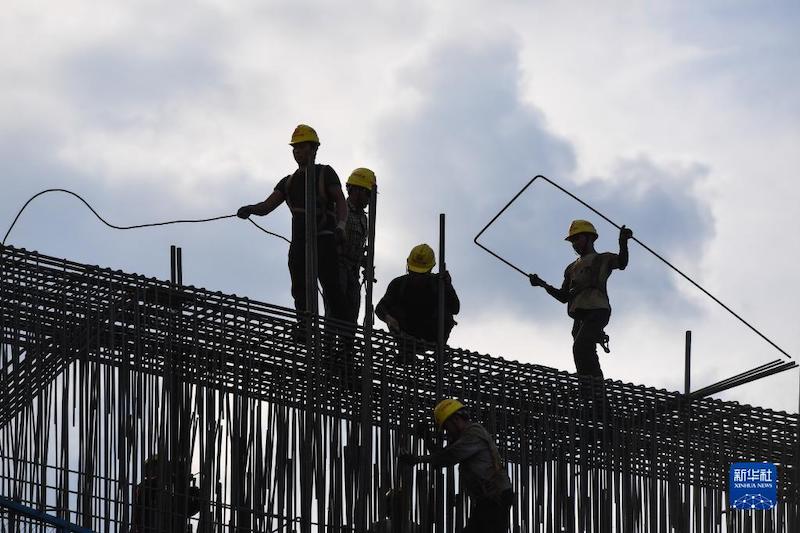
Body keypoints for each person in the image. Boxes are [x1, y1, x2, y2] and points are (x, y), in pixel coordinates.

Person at [237, 124, 348, 338]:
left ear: (314, 149)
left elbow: (340, 201)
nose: (297, 151)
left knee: (332, 288)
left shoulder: (325, 173)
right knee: (300, 286)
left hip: (324, 239)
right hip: (300, 243)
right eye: (295, 148)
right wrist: (250, 209)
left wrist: (341, 226)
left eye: (302, 146)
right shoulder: (289, 182)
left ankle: (343, 335)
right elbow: (267, 206)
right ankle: (305, 327)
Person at [528, 219, 633, 379]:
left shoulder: (602, 259)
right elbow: (564, 297)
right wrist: (542, 284)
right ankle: (590, 385)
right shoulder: (571, 269)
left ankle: (592, 386)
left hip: (597, 310)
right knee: (584, 350)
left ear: (590, 238)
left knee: (581, 347)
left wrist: (622, 242)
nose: (574, 244)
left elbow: (622, 262)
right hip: (580, 317)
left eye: (577, 239)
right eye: (572, 241)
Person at [399, 399, 514, 533]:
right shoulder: (465, 437)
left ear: (455, 419)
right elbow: (441, 457)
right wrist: (427, 439)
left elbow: (449, 456)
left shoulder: (474, 433)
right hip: (487, 499)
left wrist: (416, 459)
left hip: (495, 498)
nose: (447, 432)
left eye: (446, 427)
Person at [375, 244, 459, 361]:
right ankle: (405, 352)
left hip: (431, 335)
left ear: (430, 270)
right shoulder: (399, 284)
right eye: (413, 273)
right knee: (393, 310)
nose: (416, 278)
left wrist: (448, 287)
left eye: (421, 274)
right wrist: (388, 318)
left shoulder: (438, 284)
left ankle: (440, 351)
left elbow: (455, 309)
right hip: (407, 335)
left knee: (445, 313)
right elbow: (380, 308)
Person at [338, 168, 376, 325]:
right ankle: (329, 347)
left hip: (353, 271)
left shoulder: (364, 219)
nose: (369, 199)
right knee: (335, 310)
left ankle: (347, 348)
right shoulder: (340, 210)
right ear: (357, 190)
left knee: (352, 315)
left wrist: (365, 262)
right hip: (338, 267)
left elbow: (357, 247)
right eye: (368, 194)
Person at [132, 454, 201, 533]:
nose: (157, 470)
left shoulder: (166, 495)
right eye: (154, 467)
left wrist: (194, 498)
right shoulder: (143, 487)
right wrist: (175, 478)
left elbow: (181, 511)